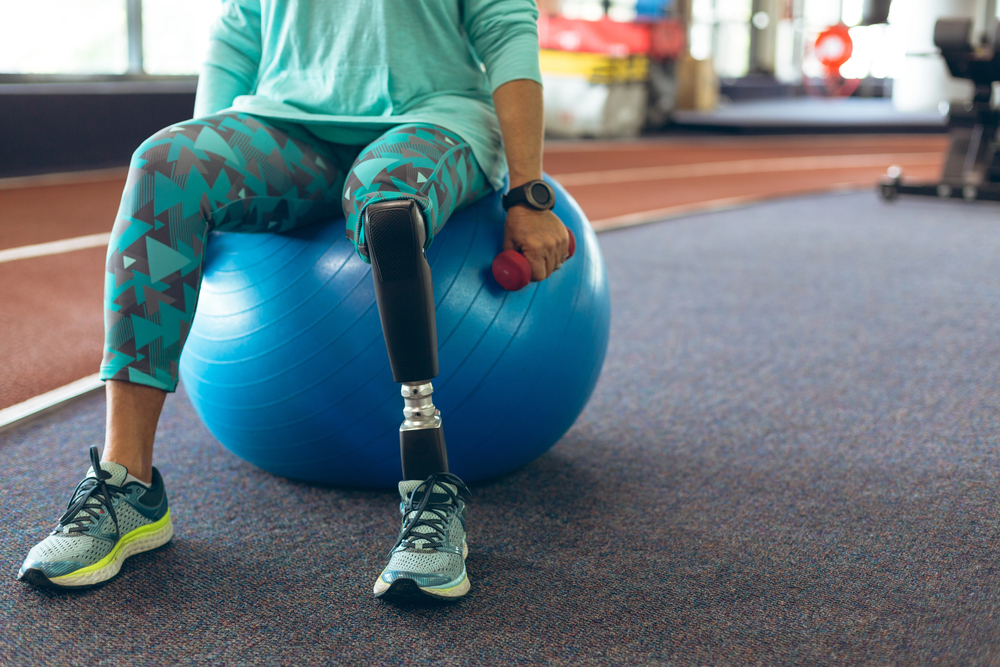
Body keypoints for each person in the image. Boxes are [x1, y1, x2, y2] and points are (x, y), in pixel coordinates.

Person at [17, 0, 569, 601]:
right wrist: (209, 201)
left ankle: (430, 490)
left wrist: (528, 192)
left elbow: (507, 27)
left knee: (388, 205)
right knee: (165, 165)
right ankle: (128, 487)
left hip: (429, 121)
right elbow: (239, 34)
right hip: (288, 128)